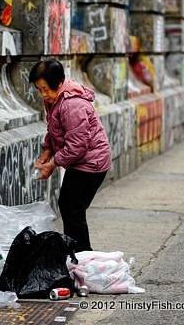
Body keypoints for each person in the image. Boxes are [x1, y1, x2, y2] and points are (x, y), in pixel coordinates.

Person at [29, 59, 112, 252]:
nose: (43, 94)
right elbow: (55, 129)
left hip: (91, 162)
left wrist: (54, 163)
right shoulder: (54, 98)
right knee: (69, 206)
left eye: (46, 89)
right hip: (81, 159)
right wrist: (48, 151)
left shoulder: (72, 104)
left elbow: (78, 145)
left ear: (59, 83)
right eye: (39, 89)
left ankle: (83, 257)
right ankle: (77, 255)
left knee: (72, 208)